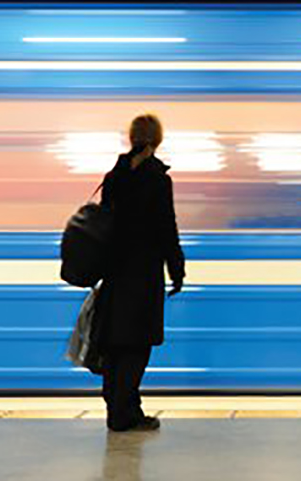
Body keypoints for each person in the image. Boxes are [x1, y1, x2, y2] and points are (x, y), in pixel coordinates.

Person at [98, 114, 185, 432]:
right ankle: (125, 414)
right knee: (137, 344)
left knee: (115, 344)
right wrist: (177, 269)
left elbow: (106, 225)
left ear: (132, 138)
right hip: (143, 273)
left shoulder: (113, 176)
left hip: (114, 273)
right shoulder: (157, 179)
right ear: (157, 140)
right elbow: (167, 228)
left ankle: (121, 410)